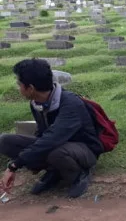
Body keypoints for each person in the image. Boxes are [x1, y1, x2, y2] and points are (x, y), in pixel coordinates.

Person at [0, 59, 103, 198]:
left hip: (83, 150)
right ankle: (54, 170)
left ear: (30, 88)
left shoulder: (71, 103)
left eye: (20, 84)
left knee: (55, 151)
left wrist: (14, 165)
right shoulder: (36, 103)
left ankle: (79, 174)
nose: (18, 88)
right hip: (56, 144)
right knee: (5, 141)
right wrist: (30, 158)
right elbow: (42, 134)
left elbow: (52, 139)